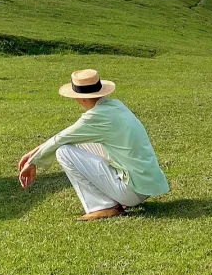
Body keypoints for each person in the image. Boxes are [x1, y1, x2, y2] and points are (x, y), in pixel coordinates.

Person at [17, 68, 169, 221]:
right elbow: (65, 136)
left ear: (81, 99)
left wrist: (33, 161)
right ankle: (114, 198)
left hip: (132, 191)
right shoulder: (116, 105)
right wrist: (32, 156)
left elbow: (61, 140)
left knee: (63, 152)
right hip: (145, 186)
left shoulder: (96, 116)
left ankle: (102, 206)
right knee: (75, 143)